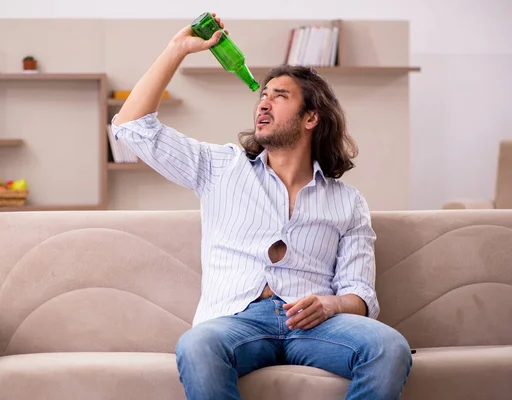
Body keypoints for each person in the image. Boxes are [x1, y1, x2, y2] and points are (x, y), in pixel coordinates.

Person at [110, 13, 413, 400]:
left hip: (314, 325)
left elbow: (360, 293)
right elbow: (131, 128)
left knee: (389, 347)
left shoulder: (348, 202)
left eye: (279, 96)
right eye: (262, 95)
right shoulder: (221, 168)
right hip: (236, 320)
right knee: (196, 345)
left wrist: (330, 303)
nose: (263, 103)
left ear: (311, 118)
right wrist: (177, 50)